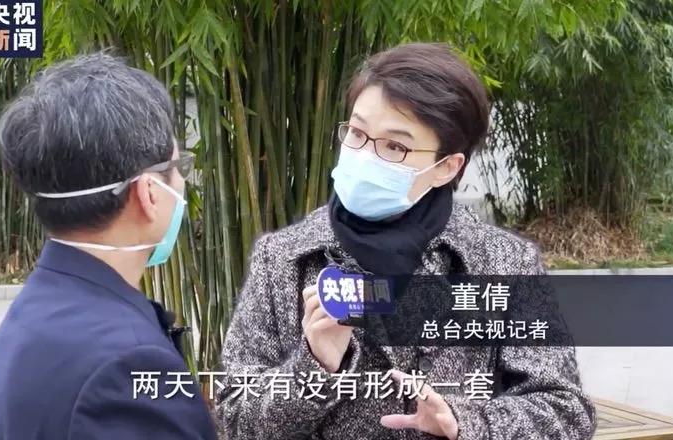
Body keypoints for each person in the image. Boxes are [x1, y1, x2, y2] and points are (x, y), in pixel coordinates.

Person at [216, 43, 596, 439]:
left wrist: (463, 423)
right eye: (357, 133)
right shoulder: (284, 259)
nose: (366, 156)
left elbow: (565, 411)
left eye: (395, 146)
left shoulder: (504, 262)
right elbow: (235, 417)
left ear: (446, 167)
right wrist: (316, 366)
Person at [0, 53, 216, 439]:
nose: (181, 184)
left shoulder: (33, 311)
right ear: (148, 193)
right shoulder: (130, 363)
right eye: (179, 168)